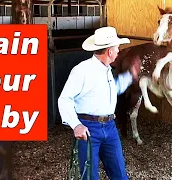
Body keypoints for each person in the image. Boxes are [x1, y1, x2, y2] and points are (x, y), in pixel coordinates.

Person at [58, 26, 140, 180]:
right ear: (109, 51)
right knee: (89, 176)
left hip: (110, 127)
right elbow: (65, 99)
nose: (118, 51)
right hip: (89, 129)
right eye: (117, 48)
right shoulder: (81, 71)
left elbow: (112, 89)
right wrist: (76, 125)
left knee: (120, 175)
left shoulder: (107, 69)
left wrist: (130, 76)